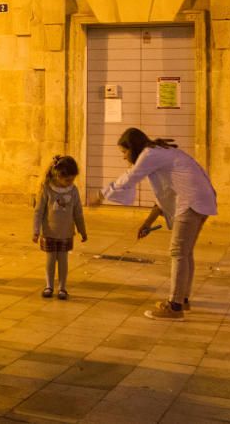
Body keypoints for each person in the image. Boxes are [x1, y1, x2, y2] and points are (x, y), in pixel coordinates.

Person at [94, 127, 217, 320]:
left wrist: (102, 194)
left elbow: (130, 176)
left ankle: (175, 307)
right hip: (200, 199)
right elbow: (165, 194)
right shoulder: (159, 153)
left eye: (124, 152)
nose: (124, 157)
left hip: (192, 202)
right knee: (185, 252)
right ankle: (182, 300)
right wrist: (147, 222)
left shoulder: (149, 154)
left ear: (133, 148)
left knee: (178, 252)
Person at [33, 155, 86, 300]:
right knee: (50, 261)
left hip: (65, 233)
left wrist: (82, 230)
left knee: (63, 261)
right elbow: (38, 212)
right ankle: (49, 286)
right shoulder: (46, 189)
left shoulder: (73, 191)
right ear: (58, 175)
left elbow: (78, 212)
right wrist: (36, 231)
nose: (70, 183)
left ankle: (62, 288)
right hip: (49, 233)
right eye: (67, 180)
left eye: (72, 180)